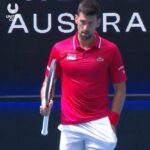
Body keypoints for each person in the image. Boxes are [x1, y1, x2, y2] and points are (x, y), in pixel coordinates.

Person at [40, 0, 126, 149]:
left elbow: (121, 89)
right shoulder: (59, 49)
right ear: (75, 19)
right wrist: (44, 101)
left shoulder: (111, 50)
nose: (85, 28)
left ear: (98, 23)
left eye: (90, 23)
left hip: (99, 124)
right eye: (82, 22)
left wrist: (112, 121)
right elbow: (48, 82)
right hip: (69, 127)